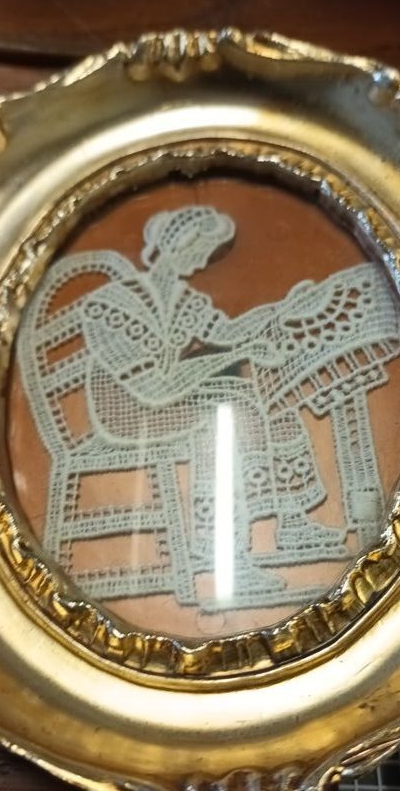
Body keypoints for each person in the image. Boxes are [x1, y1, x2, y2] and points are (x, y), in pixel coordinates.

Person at [78, 205, 347, 599]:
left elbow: (228, 332)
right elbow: (153, 387)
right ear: (178, 244)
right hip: (129, 410)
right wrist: (234, 355)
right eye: (201, 250)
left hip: (171, 396)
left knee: (271, 398)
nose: (204, 261)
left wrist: (283, 310)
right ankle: (222, 551)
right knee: (223, 414)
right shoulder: (111, 305)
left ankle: (293, 520)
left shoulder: (184, 299)